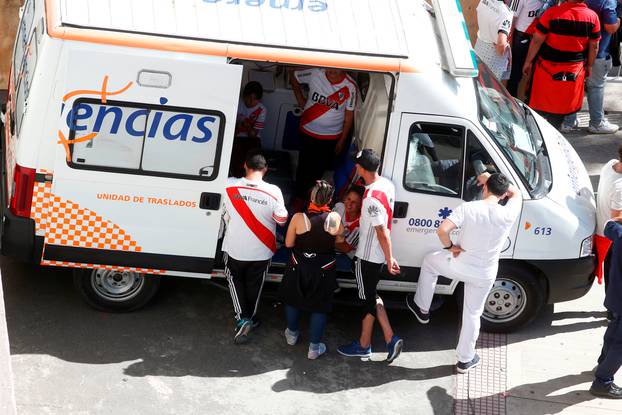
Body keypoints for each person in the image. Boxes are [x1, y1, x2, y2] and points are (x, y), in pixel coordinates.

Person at [407, 172, 521, 373]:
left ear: (484, 188)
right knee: (473, 314)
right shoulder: (509, 213)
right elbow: (516, 193)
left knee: (430, 262)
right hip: (485, 273)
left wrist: (450, 247)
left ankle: (422, 308)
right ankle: (465, 360)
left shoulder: (469, 208)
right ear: (503, 195)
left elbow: (442, 231)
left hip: (459, 265)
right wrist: (492, 179)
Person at [337, 149, 403, 363]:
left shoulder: (372, 198)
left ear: (361, 169)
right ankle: (388, 337)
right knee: (372, 296)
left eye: (357, 165)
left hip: (366, 257)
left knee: (368, 301)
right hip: (375, 257)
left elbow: (381, 230)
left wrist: (390, 256)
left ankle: (367, 345)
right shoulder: (387, 185)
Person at [222, 151, 288, 344]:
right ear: (265, 169)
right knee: (255, 285)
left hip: (234, 247)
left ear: (245, 165)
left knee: (235, 281)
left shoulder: (229, 185)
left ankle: (242, 318)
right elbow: (281, 220)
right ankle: (252, 318)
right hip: (261, 250)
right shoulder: (274, 191)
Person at [279, 181, 343, 359]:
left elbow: (289, 243)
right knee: (319, 307)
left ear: (311, 197)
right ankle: (314, 348)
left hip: (298, 266)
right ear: (330, 199)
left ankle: (291, 335)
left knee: (293, 300)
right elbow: (339, 239)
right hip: (324, 269)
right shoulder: (334, 218)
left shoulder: (299, 218)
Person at [522, 0, 601, 129]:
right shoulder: (593, 17)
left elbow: (537, 40)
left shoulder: (551, 13)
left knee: (538, 111)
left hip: (546, 71)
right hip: (573, 72)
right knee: (559, 114)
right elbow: (594, 46)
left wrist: (528, 61)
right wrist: (590, 66)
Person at [289, 67, 357, 211]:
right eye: (329, 66)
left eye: (335, 68)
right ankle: (298, 199)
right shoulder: (315, 73)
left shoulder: (350, 87)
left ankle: (312, 201)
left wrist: (342, 141)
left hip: (330, 138)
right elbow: (294, 77)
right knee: (303, 167)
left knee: (318, 171)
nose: (330, 70)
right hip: (307, 131)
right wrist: (301, 101)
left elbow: (349, 116)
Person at [561, 0, 621, 134]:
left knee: (574, 86)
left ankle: (568, 121)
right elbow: (611, 27)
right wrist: (618, 20)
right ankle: (597, 123)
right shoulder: (607, 1)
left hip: (575, 51)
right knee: (596, 87)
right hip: (597, 52)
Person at [590, 217, 622, 399]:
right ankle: (602, 382)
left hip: (616, 297)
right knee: (619, 344)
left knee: (613, 333)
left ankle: (603, 363)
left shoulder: (618, 232)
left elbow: (609, 223)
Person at [595, 145, 622, 319]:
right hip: (611, 238)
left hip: (601, 230)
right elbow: (616, 220)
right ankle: (613, 313)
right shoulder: (620, 187)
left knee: (612, 274)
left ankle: (611, 309)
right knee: (615, 278)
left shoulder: (610, 164)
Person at [506, 0, 547, 97]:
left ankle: (526, 103)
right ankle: (512, 105)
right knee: (515, 76)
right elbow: (511, 21)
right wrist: (510, 49)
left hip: (538, 40)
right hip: (521, 39)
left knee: (532, 75)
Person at [230, 82, 267, 177]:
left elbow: (253, 134)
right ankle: (236, 176)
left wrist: (246, 125)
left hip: (252, 139)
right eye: (249, 98)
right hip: (236, 137)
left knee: (254, 158)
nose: (251, 101)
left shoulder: (261, 109)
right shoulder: (237, 104)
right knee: (236, 156)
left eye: (254, 99)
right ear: (244, 96)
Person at [474, 0, 514, 81]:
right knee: (488, 91)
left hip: (478, 48)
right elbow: (501, 45)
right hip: (492, 58)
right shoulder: (506, 13)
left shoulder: (483, 1)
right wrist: (503, 47)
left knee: (475, 82)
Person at [333, 185, 364, 259]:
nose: (349, 204)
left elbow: (345, 248)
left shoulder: (361, 224)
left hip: (348, 256)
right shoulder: (339, 207)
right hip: (333, 250)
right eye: (348, 199)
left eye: (354, 202)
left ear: (361, 205)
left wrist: (327, 239)